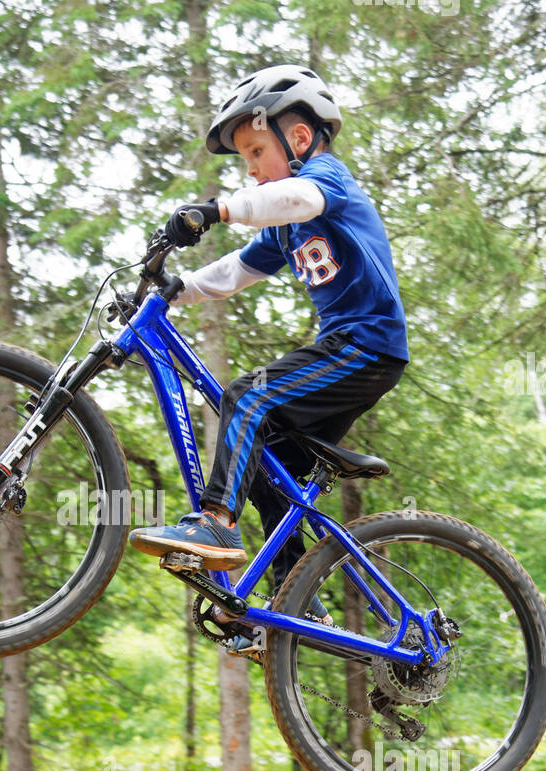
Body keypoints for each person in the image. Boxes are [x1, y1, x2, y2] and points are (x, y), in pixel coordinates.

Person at [128, 63, 409, 598]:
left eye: (256, 152)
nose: (250, 170)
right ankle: (297, 600)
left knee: (247, 397)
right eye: (245, 160)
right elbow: (234, 272)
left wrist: (219, 209)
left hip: (367, 345)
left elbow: (293, 199)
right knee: (263, 466)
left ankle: (216, 523)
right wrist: (174, 288)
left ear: (299, 137)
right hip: (349, 350)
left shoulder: (327, 182)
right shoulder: (284, 226)